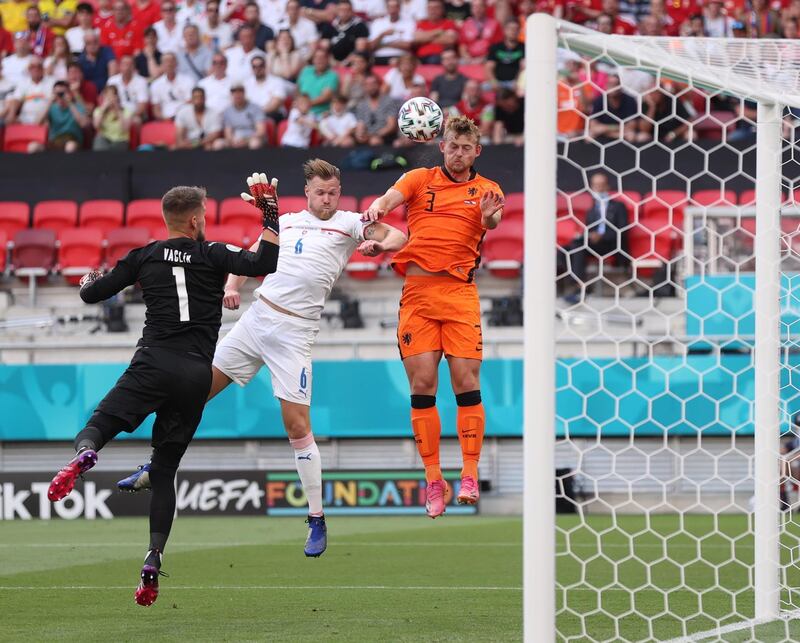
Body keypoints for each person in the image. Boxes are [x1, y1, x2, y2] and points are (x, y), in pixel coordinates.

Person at [119, 159, 409, 557]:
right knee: (192, 390)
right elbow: (254, 252)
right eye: (320, 192)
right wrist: (232, 286)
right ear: (307, 192)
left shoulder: (350, 222)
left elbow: (396, 236)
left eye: (333, 192)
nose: (327, 199)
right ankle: (155, 466)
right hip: (257, 319)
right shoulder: (286, 222)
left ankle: (317, 518)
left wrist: (377, 243)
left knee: (296, 425)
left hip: (295, 331)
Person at [48, 179, 281, 606]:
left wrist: (87, 280)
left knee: (99, 424)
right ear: (195, 219)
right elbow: (266, 259)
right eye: (205, 214)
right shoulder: (213, 253)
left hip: (152, 363)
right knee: (164, 470)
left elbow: (92, 294)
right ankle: (153, 557)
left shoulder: (145, 254)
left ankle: (87, 453)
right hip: (195, 374)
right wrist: (269, 214)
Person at [363, 115, 504, 518]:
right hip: (419, 295)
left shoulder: (487, 190)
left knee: (466, 381)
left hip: (460, 294)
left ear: (477, 151)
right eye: (452, 146)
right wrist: (376, 210)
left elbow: (492, 222)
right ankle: (434, 479)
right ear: (442, 146)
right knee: (423, 383)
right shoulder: (420, 179)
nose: (458, 153)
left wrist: (490, 215)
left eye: (466, 148)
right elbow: (388, 198)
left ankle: (471, 472)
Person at [559, 171, 629, 303]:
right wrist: (587, 235)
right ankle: (578, 284)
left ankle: (580, 288)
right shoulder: (592, 210)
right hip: (593, 245)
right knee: (566, 249)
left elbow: (623, 230)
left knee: (578, 247)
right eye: (596, 186)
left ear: (608, 186)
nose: (599, 189)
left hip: (612, 244)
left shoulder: (619, 206)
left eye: (602, 185)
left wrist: (601, 236)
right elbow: (589, 229)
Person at [217, 82, 266, 148]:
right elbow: (228, 132)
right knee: (218, 144)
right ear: (231, 94)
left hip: (252, 138)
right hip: (235, 140)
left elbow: (261, 131)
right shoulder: (227, 111)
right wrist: (233, 140)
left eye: (240, 91)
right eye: (234, 92)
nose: (237, 95)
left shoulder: (255, 108)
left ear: (244, 93)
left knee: (255, 143)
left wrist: (246, 140)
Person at [93, 83, 131, 150]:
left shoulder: (126, 111)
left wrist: (117, 109)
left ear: (117, 96)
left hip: (120, 140)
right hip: (104, 138)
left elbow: (125, 128)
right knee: (99, 141)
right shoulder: (98, 110)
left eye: (112, 95)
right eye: (107, 95)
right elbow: (96, 126)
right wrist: (104, 108)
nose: (110, 98)